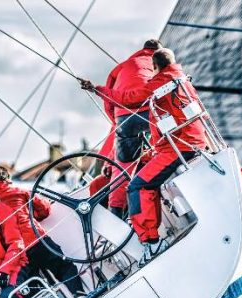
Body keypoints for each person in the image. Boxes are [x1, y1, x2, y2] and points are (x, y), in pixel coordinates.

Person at [82, 48, 205, 263]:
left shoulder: (154, 81)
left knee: (137, 186)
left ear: (155, 66)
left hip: (175, 147)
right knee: (146, 167)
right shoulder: (184, 79)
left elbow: (126, 99)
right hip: (196, 141)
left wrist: (96, 89)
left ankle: (151, 241)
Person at [0, 166, 85, 296]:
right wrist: (32, 216)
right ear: (6, 178)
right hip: (36, 239)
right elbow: (45, 208)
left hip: (18, 253)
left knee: (34, 286)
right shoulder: (17, 191)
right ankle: (79, 296)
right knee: (64, 267)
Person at [95, 39, 163, 218]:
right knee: (167, 154)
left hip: (124, 116)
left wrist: (117, 122)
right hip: (152, 112)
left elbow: (109, 101)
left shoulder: (122, 66)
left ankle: (115, 213)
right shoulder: (160, 64)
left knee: (122, 166)